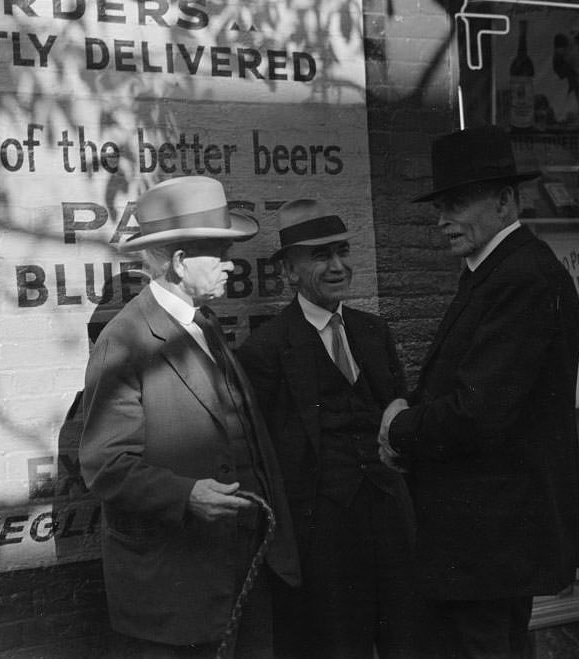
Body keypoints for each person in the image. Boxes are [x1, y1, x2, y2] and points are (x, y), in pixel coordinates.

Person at [378, 125, 579, 658]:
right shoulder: (496, 271)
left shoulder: (519, 277)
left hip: (488, 542)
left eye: (458, 202)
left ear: (504, 200)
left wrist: (399, 428)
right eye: (439, 205)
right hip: (486, 541)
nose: (442, 218)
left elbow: (477, 413)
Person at [79, 175, 300, 657]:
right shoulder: (126, 339)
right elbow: (104, 464)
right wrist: (185, 494)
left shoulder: (203, 324)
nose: (230, 265)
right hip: (176, 589)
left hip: (237, 572)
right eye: (218, 254)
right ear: (179, 262)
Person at [236, 200, 417, 659]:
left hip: (392, 527)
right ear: (289, 272)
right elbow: (261, 457)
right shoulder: (267, 349)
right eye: (321, 256)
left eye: (342, 252)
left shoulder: (374, 332)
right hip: (323, 541)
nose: (337, 266)